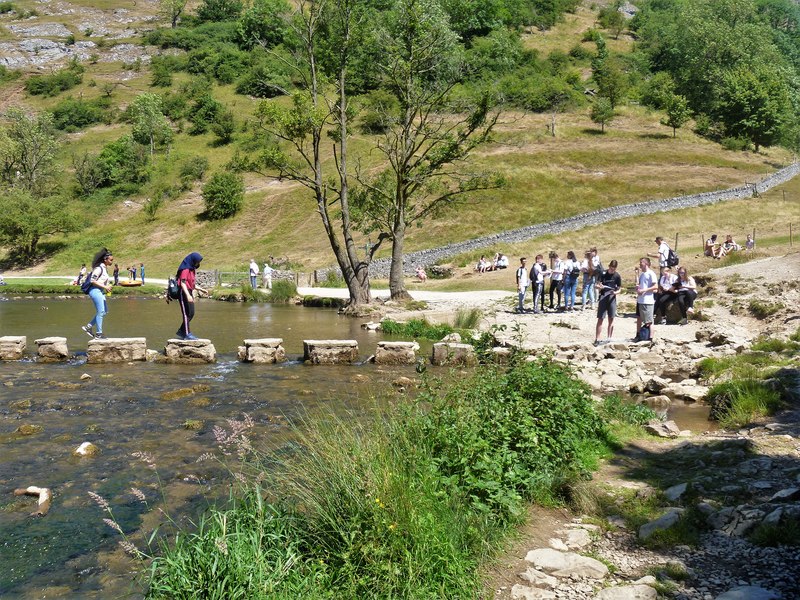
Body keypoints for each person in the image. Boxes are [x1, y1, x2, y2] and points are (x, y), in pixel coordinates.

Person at [81, 248, 114, 339]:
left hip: (100, 291)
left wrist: (107, 286)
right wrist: (105, 287)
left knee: (105, 311)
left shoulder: (105, 269)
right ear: (105, 259)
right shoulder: (99, 268)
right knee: (101, 311)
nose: (112, 261)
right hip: (95, 290)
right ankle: (99, 334)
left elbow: (101, 281)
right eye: (111, 260)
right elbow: (92, 280)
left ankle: (88, 327)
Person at [175, 252, 208, 341]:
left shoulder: (192, 269)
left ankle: (181, 331)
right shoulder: (185, 269)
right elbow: (183, 283)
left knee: (191, 313)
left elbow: (192, 284)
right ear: (193, 260)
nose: (198, 264)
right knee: (186, 314)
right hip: (183, 292)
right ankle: (187, 334)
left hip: (188, 291)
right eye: (198, 261)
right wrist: (188, 295)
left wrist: (201, 289)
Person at [595, 259, 621, 345]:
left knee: (611, 318)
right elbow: (596, 285)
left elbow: (619, 289)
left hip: (612, 297)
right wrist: (600, 287)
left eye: (614, 269)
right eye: (611, 268)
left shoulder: (617, 276)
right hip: (603, 296)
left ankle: (609, 338)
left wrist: (615, 292)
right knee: (600, 318)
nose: (612, 270)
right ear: (609, 266)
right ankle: (597, 338)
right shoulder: (603, 273)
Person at [635, 257, 658, 341]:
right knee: (641, 319)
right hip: (640, 300)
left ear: (646, 264)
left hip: (648, 300)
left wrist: (645, 290)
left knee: (649, 321)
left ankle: (650, 338)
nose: (640, 264)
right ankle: (640, 336)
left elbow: (655, 286)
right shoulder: (642, 274)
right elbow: (639, 285)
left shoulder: (651, 273)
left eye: (641, 263)